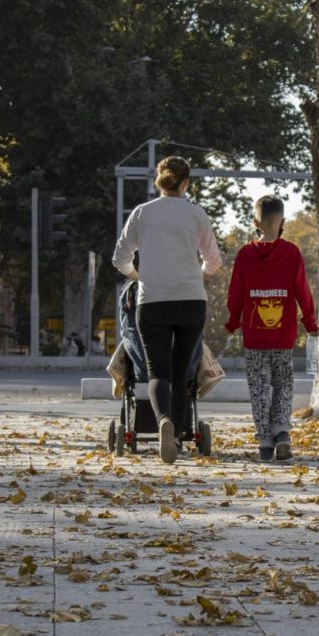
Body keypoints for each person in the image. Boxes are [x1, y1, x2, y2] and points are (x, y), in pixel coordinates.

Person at [112, 156, 222, 464]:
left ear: (158, 181)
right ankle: (176, 438)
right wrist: (200, 274)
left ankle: (163, 423)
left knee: (157, 371)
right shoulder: (196, 214)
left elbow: (120, 258)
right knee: (181, 371)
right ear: (186, 183)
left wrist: (137, 275)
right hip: (191, 301)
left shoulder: (142, 213)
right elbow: (214, 260)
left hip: (152, 302)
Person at [225, 194, 318, 461]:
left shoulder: (245, 254)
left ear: (255, 222)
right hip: (283, 336)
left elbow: (236, 293)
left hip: (255, 338)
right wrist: (310, 322)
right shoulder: (291, 253)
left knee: (259, 388)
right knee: (283, 385)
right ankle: (282, 433)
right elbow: (303, 291)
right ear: (283, 222)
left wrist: (233, 322)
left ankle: (265, 443)